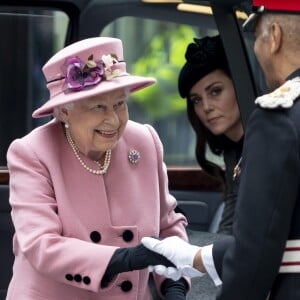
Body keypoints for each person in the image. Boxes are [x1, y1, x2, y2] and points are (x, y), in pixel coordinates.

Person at [6, 37, 190, 300]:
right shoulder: (32, 152)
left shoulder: (144, 142)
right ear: (64, 112)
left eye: (120, 104)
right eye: (98, 106)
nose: (114, 119)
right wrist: (124, 259)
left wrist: (174, 284)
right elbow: (41, 245)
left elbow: (168, 225)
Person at [142, 0, 300, 299]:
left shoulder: (276, 121)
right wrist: (195, 256)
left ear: (275, 36)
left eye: (257, 39)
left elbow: (254, 254)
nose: (206, 107)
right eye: (197, 100)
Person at [178, 34, 244, 235]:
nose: (206, 107)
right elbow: (231, 223)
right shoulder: (233, 150)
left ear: (239, 86)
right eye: (197, 100)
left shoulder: (261, 146)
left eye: (215, 91)